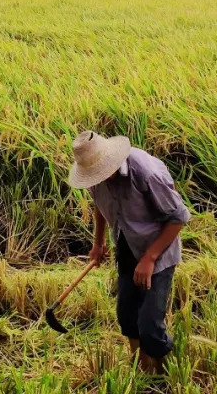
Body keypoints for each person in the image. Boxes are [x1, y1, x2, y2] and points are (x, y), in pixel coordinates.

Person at [67, 130, 191, 374]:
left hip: (157, 248)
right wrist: (99, 243)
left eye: (102, 171)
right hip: (125, 243)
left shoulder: (145, 172)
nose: (100, 178)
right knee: (126, 316)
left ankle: (166, 374)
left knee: (150, 327)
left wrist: (149, 258)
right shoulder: (94, 176)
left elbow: (179, 217)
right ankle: (142, 369)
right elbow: (100, 208)